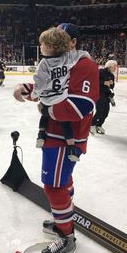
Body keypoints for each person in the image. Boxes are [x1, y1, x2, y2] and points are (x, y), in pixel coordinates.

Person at [13, 23, 99, 253]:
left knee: (53, 185)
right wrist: (27, 89)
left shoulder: (85, 65)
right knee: (63, 180)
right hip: (54, 134)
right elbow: (49, 90)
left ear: (73, 42)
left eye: (63, 39)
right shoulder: (63, 62)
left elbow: (79, 105)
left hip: (66, 138)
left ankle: (66, 238)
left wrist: (45, 108)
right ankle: (65, 218)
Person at [32, 27, 90, 162]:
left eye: (42, 44)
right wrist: (87, 57)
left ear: (50, 46)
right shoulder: (67, 57)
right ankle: (71, 148)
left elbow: (39, 83)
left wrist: (35, 95)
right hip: (62, 100)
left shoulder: (44, 64)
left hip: (47, 100)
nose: (40, 47)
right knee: (65, 125)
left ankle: (41, 135)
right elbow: (82, 54)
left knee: (44, 115)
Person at [90, 59, 117, 135]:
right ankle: (92, 125)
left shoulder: (111, 75)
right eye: (114, 67)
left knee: (106, 112)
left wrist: (111, 84)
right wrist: (104, 82)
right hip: (99, 93)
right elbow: (94, 81)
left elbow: (112, 86)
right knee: (100, 110)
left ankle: (99, 125)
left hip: (106, 95)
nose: (115, 68)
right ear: (109, 66)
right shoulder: (101, 72)